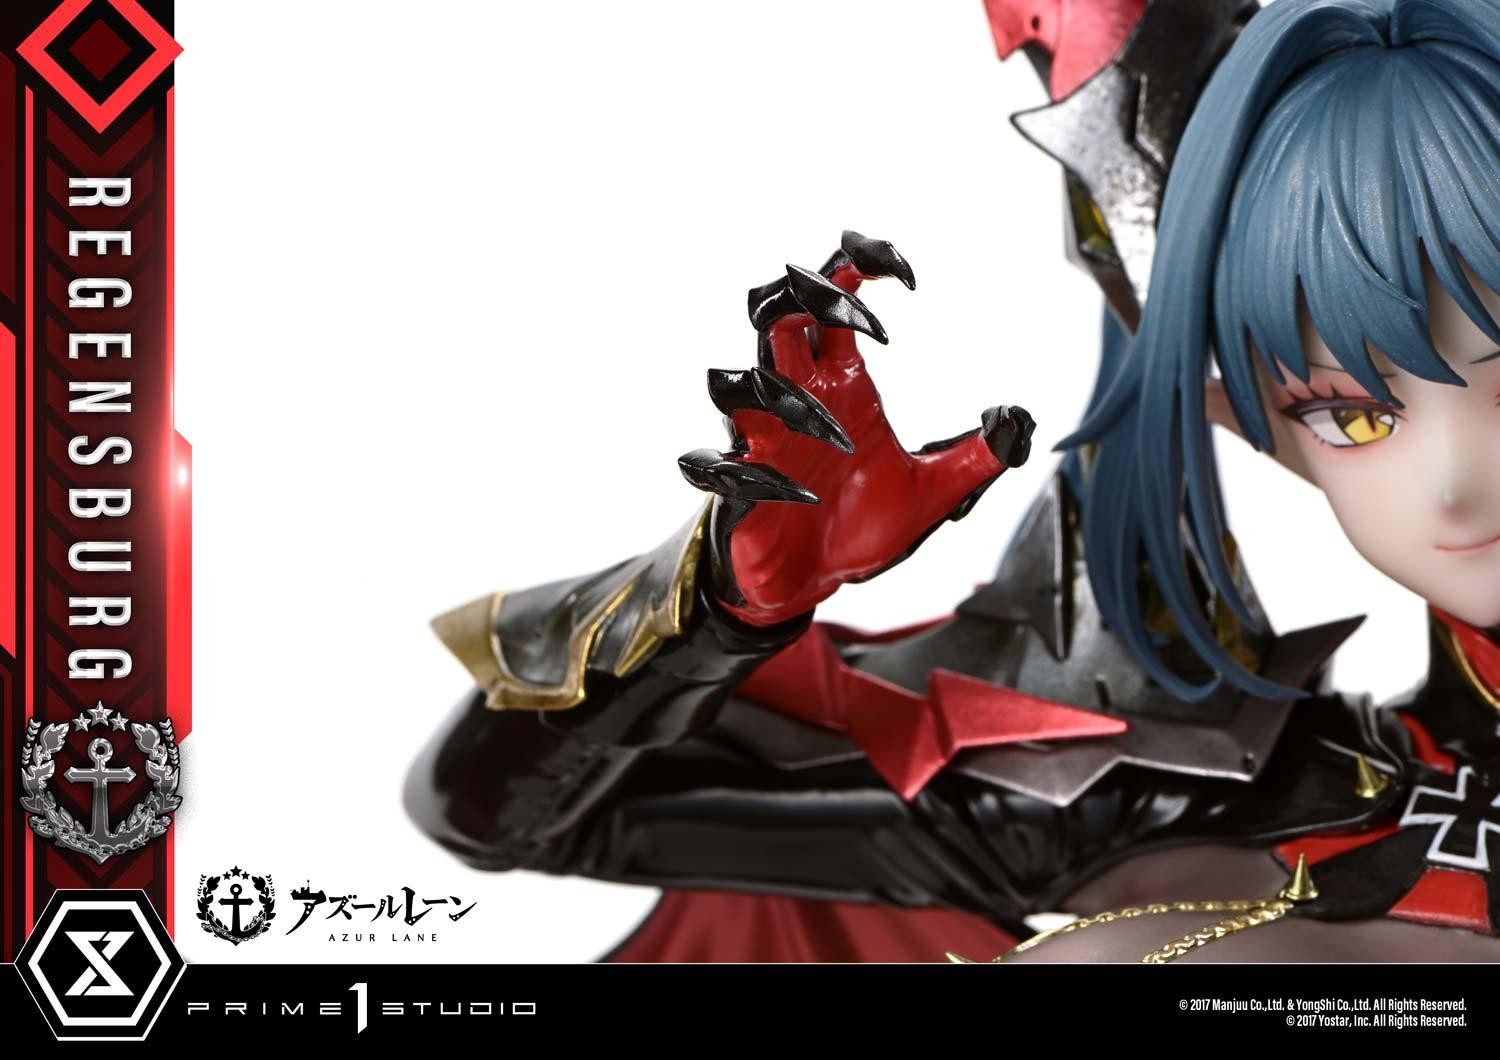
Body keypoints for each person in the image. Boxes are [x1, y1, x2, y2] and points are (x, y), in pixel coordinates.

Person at [403, 0, 1500, 961]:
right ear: (1260, 420)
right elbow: (500, 813)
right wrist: (716, 611)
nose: (1452, 485)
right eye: (1353, 413)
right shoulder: (1215, 801)